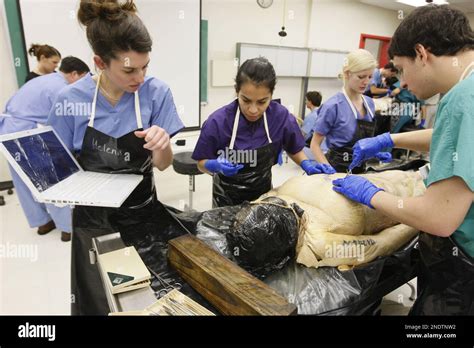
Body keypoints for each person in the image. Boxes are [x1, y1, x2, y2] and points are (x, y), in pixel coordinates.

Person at [332, 4, 474, 315]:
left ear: (422, 53)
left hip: (463, 271)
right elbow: (454, 138)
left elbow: (439, 217)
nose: (403, 83)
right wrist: (390, 139)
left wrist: (374, 195)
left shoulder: (462, 99)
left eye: (401, 69)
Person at [48, 0, 184, 315]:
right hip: (93, 222)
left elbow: (163, 164)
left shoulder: (156, 93)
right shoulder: (70, 101)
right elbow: (59, 171)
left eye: (145, 66)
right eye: (128, 69)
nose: (140, 76)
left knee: (149, 298)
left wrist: (161, 144)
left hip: (143, 215)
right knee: (101, 299)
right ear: (99, 62)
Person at [192, 57, 331, 208]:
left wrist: (306, 164)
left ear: (271, 95)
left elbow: (293, 147)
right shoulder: (218, 122)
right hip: (225, 201)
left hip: (263, 198)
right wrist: (214, 165)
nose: (253, 110)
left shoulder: (281, 117)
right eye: (245, 100)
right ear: (237, 91)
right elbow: (201, 163)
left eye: (262, 102)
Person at [1, 56, 90, 241]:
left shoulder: (45, 79)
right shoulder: (63, 89)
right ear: (74, 74)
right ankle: (67, 228)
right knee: (53, 177)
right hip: (27, 131)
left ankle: (42, 222)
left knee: (22, 179)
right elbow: (66, 124)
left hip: (7, 129)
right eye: (84, 78)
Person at [309, 49, 391, 174]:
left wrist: (375, 152)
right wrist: (328, 170)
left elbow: (363, 142)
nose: (366, 82)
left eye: (369, 77)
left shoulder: (369, 104)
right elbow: (315, 145)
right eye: (361, 77)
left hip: (360, 170)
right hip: (337, 169)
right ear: (347, 74)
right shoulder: (333, 106)